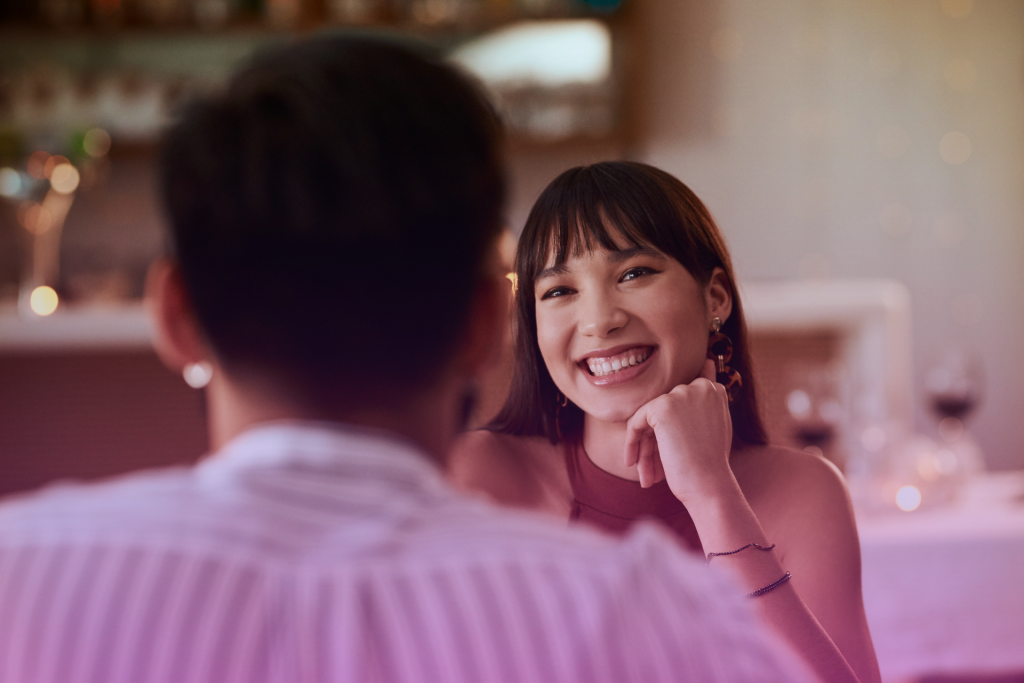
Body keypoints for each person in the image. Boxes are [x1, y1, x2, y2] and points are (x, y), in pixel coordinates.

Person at [0, 38, 813, 683]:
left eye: (634, 271)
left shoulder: (19, 576)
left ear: (175, 317)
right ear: (490, 320)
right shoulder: (642, 612)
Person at [449, 161, 883, 683]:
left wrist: (713, 495)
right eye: (559, 291)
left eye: (633, 274)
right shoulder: (477, 476)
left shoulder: (806, 490)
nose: (599, 320)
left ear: (714, 298)